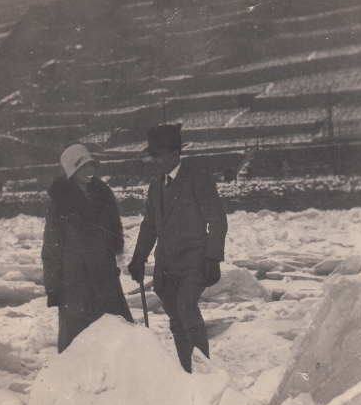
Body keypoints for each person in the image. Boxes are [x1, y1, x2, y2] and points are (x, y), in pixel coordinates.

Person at [128, 124, 228, 373]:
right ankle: (187, 372)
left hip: (195, 263)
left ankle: (204, 374)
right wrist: (140, 256)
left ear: (174, 154)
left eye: (157, 155)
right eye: (152, 156)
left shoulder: (197, 178)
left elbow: (217, 220)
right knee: (177, 320)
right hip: (166, 268)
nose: (154, 161)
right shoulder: (155, 185)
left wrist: (213, 257)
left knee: (186, 307)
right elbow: (149, 225)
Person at [42, 144, 133, 353]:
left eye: (91, 165)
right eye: (83, 167)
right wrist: (53, 287)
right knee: (78, 344)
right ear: (71, 172)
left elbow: (111, 238)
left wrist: (111, 266)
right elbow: (51, 246)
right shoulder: (59, 203)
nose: (89, 171)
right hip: (75, 283)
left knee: (114, 341)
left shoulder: (103, 195)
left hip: (105, 281)